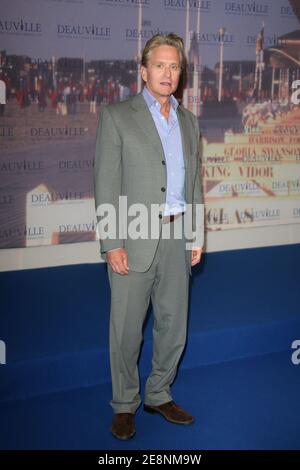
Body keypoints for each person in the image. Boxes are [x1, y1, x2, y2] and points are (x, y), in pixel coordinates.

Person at [94, 33, 204, 440]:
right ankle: (125, 403)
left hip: (178, 239)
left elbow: (194, 184)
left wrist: (196, 235)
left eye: (174, 66)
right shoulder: (118, 115)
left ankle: (159, 393)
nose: (167, 73)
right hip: (134, 235)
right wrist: (111, 241)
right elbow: (105, 183)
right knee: (125, 329)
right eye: (159, 65)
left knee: (174, 325)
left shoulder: (189, 122)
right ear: (143, 71)